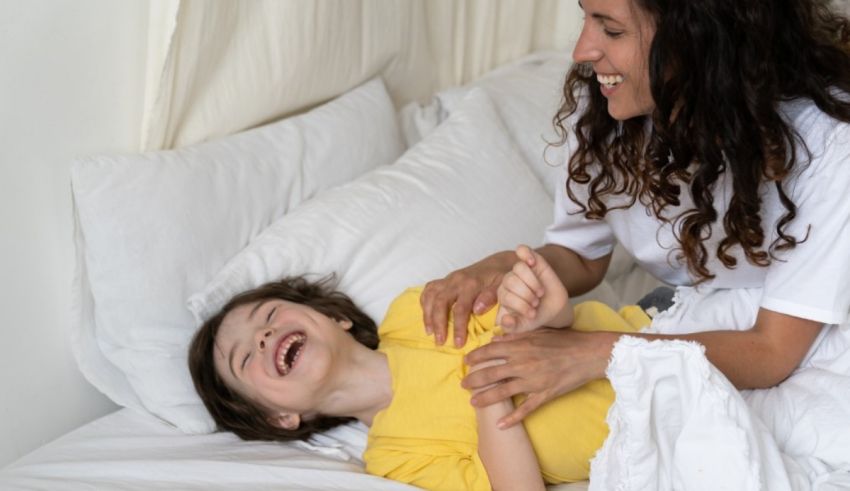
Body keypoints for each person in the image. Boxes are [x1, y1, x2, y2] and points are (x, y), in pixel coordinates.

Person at [421, 0, 850, 434]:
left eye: (611, 30)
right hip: (684, 326)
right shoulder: (606, 116)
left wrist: (592, 354)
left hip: (800, 347)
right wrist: (507, 267)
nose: (582, 50)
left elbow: (772, 353)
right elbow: (583, 256)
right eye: (586, 18)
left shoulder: (829, 141)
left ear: (695, 41)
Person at [188, 246, 652, 491]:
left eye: (269, 316)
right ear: (279, 418)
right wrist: (489, 386)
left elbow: (550, 321)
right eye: (245, 358)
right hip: (653, 438)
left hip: (658, 334)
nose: (263, 337)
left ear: (335, 318)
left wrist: (543, 307)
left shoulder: (414, 312)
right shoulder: (393, 457)